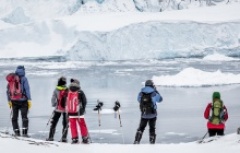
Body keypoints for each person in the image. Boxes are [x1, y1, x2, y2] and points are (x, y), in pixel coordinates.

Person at [134, 80, 163, 144]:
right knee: (152, 129)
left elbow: (139, 100)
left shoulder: (141, 93)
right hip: (153, 114)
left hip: (144, 114)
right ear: (152, 85)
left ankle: (137, 141)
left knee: (141, 128)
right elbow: (160, 99)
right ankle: (152, 142)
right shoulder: (154, 93)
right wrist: (156, 91)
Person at [6, 65, 32, 137]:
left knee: (14, 118)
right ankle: (24, 133)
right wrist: (29, 100)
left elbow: (8, 91)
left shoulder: (12, 78)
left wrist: (9, 101)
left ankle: (16, 133)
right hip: (23, 101)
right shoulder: (24, 78)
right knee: (24, 117)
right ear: (23, 70)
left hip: (13, 101)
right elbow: (27, 89)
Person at [66, 78, 90, 144]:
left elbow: (64, 102)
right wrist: (83, 109)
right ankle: (85, 138)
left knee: (73, 126)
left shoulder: (68, 91)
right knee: (82, 125)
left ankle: (74, 139)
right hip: (79, 112)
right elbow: (84, 102)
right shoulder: (80, 91)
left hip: (70, 112)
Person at [46, 76, 68, 142]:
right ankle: (64, 138)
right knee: (65, 124)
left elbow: (53, 99)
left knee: (54, 123)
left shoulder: (56, 89)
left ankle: (51, 137)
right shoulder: (67, 89)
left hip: (57, 109)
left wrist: (54, 104)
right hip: (66, 110)